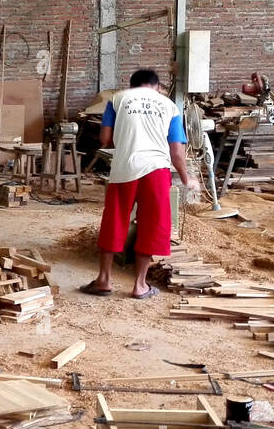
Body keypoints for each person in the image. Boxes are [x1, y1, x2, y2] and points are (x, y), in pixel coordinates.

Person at [82, 68, 199, 300]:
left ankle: (104, 280)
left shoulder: (117, 99)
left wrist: (126, 139)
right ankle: (139, 285)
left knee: (115, 219)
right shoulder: (169, 106)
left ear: (132, 85)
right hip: (157, 170)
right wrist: (187, 179)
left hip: (124, 167)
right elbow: (176, 152)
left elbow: (105, 139)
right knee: (153, 224)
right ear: (156, 86)